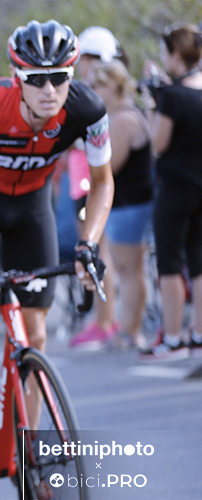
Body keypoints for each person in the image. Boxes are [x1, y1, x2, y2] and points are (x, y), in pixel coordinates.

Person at [0, 20, 113, 438]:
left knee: (35, 333)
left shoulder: (88, 109)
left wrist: (88, 243)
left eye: (59, 78)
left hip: (31, 207)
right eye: (35, 79)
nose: (48, 90)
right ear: (17, 77)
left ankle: (29, 446)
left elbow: (103, 182)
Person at [70, 61, 153, 351]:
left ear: (113, 86)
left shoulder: (123, 119)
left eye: (97, 86)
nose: (92, 91)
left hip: (129, 205)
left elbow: (108, 166)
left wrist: (84, 150)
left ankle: (130, 331)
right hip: (128, 204)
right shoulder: (120, 115)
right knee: (129, 270)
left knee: (129, 271)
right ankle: (128, 329)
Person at [138, 23, 202, 361]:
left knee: (169, 262)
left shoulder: (173, 97)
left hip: (176, 187)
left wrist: (152, 103)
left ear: (175, 54)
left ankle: (174, 337)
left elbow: (158, 144)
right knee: (199, 261)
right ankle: (199, 334)